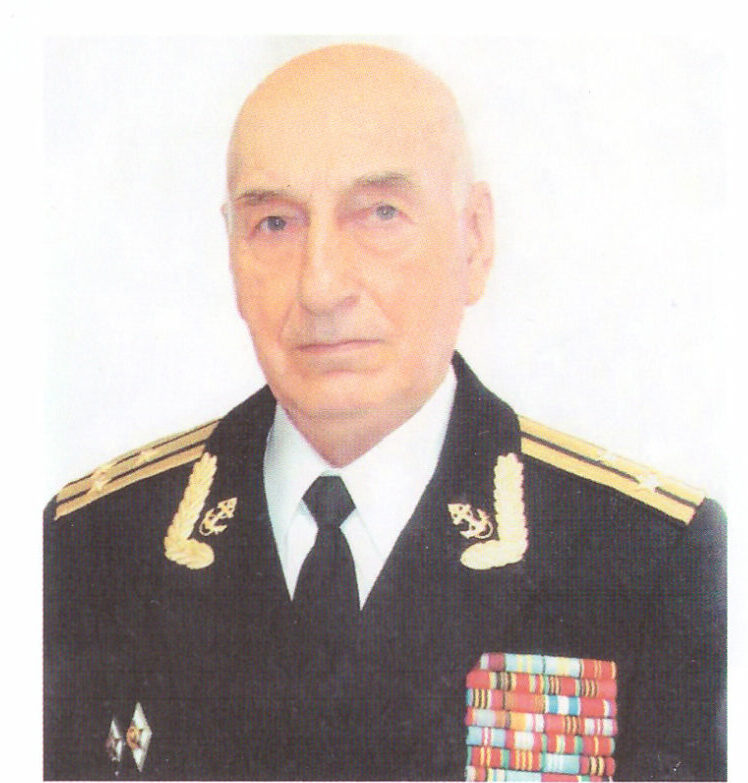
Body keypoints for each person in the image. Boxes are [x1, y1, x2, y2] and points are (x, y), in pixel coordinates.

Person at [44, 44, 726, 781]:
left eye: (380, 213)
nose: (321, 286)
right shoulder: (92, 546)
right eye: (275, 223)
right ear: (231, 251)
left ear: (474, 238)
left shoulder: (643, 560)